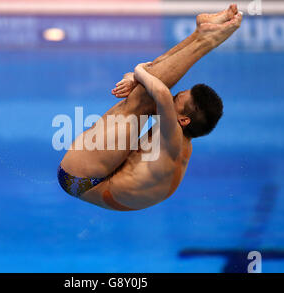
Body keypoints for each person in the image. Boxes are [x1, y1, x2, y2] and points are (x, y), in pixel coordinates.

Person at [57, 5, 243, 211]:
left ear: (183, 120)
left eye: (177, 99)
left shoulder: (173, 139)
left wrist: (137, 71)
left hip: (79, 180)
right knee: (144, 95)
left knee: (142, 99)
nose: (172, 97)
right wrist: (137, 79)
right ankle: (200, 34)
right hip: (104, 181)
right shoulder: (177, 131)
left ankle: (207, 40)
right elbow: (156, 86)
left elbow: (160, 92)